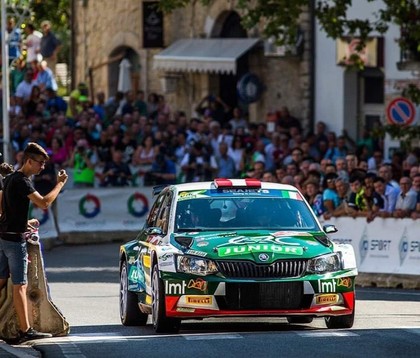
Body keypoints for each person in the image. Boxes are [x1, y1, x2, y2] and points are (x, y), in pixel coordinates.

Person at [0, 142, 68, 342]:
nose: (42, 167)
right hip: (14, 242)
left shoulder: (10, 178)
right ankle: (25, 330)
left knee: (2, 281)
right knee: (20, 286)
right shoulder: (22, 181)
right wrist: (60, 184)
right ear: (29, 161)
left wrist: (23, 222)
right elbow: (44, 203)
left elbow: (5, 210)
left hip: (3, 237)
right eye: (40, 163)